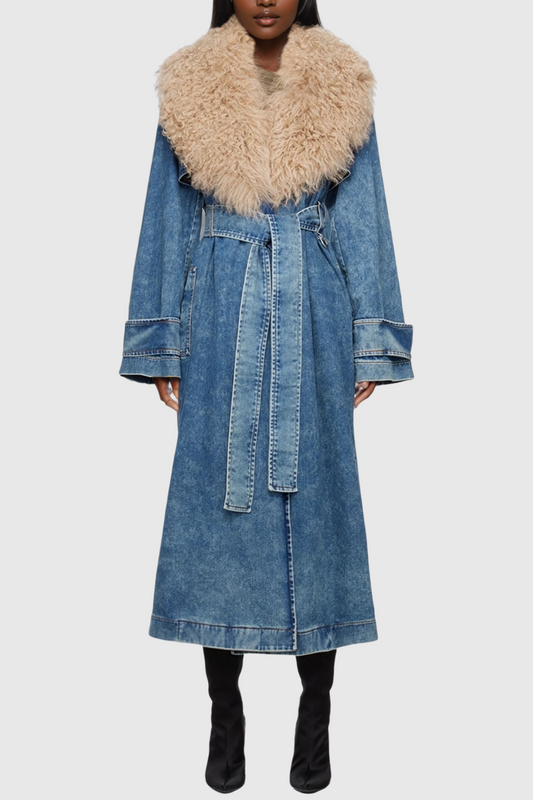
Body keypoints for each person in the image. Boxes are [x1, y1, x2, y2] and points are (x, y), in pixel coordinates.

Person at [119, 0, 414, 793]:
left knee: (321, 513)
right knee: (217, 516)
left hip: (314, 311)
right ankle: (225, 718)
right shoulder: (188, 87)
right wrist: (160, 340)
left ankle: (315, 721)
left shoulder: (343, 83)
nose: (264, 0)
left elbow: (365, 219)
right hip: (220, 312)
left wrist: (371, 338)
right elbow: (165, 219)